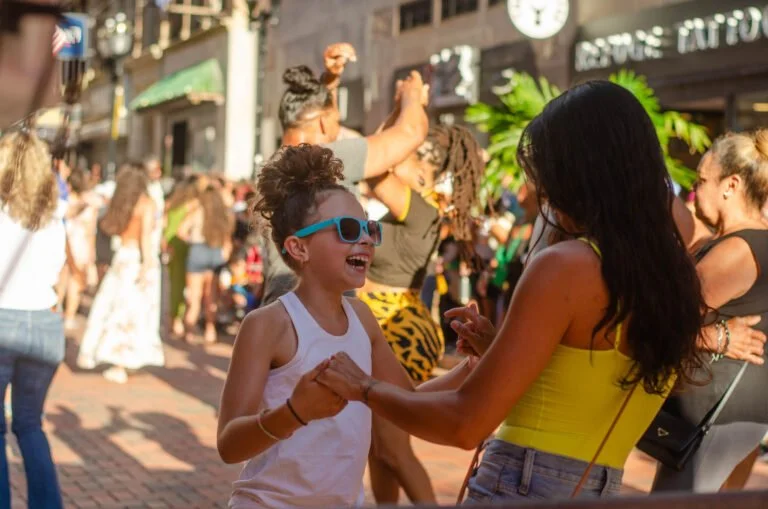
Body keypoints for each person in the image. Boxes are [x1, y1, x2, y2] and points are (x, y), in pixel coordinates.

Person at [314, 81, 708, 502]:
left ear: (578, 175)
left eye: (547, 174)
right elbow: (580, 380)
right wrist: (500, 348)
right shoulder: (670, 273)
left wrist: (363, 387)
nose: (541, 193)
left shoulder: (567, 267)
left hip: (524, 483)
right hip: (601, 484)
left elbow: (465, 424)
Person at [218, 144, 480, 508]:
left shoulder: (363, 319)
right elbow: (229, 444)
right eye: (347, 228)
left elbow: (408, 401)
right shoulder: (269, 324)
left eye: (370, 228)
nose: (365, 239)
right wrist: (294, 412)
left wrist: (473, 365)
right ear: (298, 248)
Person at [358, 125, 485, 504]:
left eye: (406, 155)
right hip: (387, 326)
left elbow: (371, 163)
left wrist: (408, 112)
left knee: (393, 449)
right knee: (378, 448)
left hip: (396, 332)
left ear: (423, 170)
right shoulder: (416, 211)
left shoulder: (422, 210)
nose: (396, 158)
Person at [260, 45, 430, 306]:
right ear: (325, 123)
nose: (339, 129)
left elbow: (320, 111)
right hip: (315, 315)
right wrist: (413, 92)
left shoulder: (278, 165)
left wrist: (329, 81)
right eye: (337, 121)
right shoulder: (328, 156)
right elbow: (411, 133)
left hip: (281, 306)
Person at [653, 130, 768, 493]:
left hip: (713, 420)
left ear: (731, 185)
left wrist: (713, 336)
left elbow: (661, 323)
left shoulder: (737, 250)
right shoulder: (738, 241)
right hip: (725, 416)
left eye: (702, 179)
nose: (694, 189)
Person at [0, 129, 65, 509]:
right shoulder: (54, 213)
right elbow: (58, 266)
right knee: (29, 424)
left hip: (4, 320)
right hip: (43, 322)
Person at [76, 163, 165, 384]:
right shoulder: (147, 204)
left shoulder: (122, 203)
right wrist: (147, 266)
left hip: (122, 258)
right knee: (133, 312)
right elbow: (146, 238)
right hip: (138, 259)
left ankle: (109, 357)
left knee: (112, 307)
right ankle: (122, 362)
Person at [177, 185, 233, 344]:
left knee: (194, 298)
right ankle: (210, 330)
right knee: (211, 297)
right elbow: (227, 238)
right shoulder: (222, 215)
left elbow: (181, 231)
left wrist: (191, 241)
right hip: (215, 252)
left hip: (197, 251)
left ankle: (189, 332)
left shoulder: (197, 211)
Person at [163, 175, 205, 337]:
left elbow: (165, 227)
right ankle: (179, 321)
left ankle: (173, 319)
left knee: (175, 285)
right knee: (186, 288)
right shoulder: (192, 205)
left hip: (172, 246)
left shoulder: (171, 205)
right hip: (185, 247)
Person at [61, 167, 99, 329]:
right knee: (75, 281)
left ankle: (56, 308)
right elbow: (91, 232)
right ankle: (69, 315)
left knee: (62, 278)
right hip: (81, 244)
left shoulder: (65, 199)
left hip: (64, 241)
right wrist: (92, 252)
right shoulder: (90, 203)